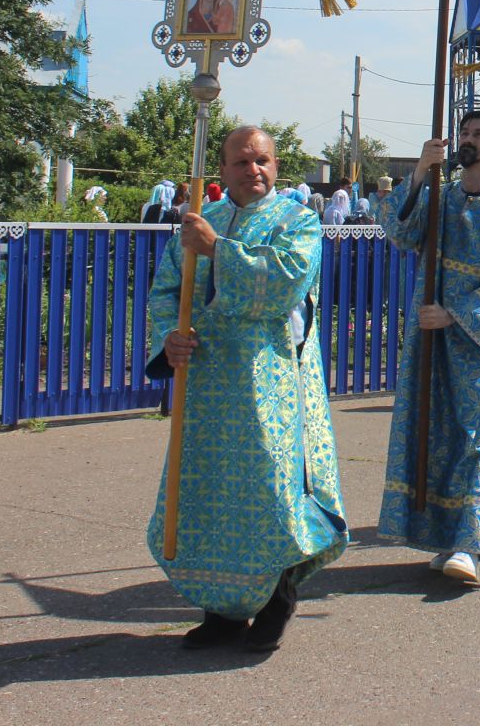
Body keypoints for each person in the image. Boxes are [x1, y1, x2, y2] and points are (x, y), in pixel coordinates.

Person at [147, 126, 346, 651]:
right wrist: (169, 338)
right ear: (223, 170)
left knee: (271, 494)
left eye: (262, 161)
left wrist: (219, 252)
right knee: (208, 495)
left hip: (269, 383)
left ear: (276, 165)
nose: (253, 170)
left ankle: (276, 605)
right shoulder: (199, 221)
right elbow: (167, 291)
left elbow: (285, 284)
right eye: (241, 162)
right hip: (209, 384)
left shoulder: (298, 221)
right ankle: (223, 612)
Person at [376, 111, 480, 585]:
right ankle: (448, 537)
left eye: (479, 135)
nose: (468, 140)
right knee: (441, 435)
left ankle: (473, 543)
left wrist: (456, 313)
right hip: (434, 339)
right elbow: (400, 233)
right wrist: (421, 173)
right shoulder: (440, 199)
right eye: (464, 133)